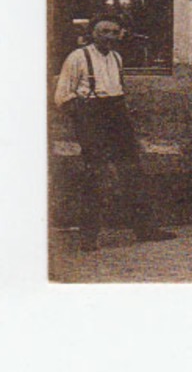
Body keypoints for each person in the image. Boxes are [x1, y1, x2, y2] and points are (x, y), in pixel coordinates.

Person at [54, 15, 176, 252]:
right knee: (96, 175)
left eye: (114, 32)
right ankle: (88, 236)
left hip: (116, 114)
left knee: (132, 172)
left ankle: (144, 229)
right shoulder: (78, 57)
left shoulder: (117, 58)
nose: (109, 37)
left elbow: (118, 91)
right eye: (104, 32)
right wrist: (83, 119)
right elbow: (62, 96)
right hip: (92, 116)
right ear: (93, 33)